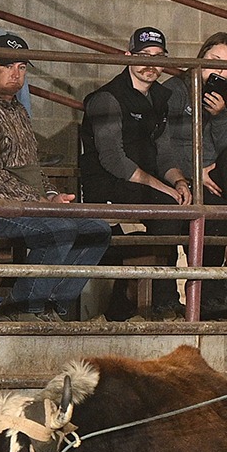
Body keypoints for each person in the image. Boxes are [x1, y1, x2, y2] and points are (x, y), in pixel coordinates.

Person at [0, 34, 110, 322]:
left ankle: (48, 304)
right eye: (8, 66)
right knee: (57, 231)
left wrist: (50, 195)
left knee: (97, 229)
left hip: (25, 205)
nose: (16, 74)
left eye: (22, 67)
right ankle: (23, 307)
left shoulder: (17, 110)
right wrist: (38, 200)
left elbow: (31, 167)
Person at [78, 26, 184, 318]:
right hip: (108, 184)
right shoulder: (107, 98)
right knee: (167, 206)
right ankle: (163, 297)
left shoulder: (161, 97)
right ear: (127, 57)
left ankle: (210, 298)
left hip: (145, 185)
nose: (151, 63)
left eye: (158, 56)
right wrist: (164, 189)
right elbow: (113, 160)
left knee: (197, 207)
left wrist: (180, 181)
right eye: (143, 55)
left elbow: (165, 150)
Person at [157, 30, 227, 318]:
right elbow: (161, 141)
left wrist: (220, 115)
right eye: (214, 59)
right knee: (211, 211)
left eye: (226, 66)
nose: (218, 69)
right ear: (202, 56)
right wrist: (193, 172)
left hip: (218, 180)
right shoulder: (176, 90)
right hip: (183, 176)